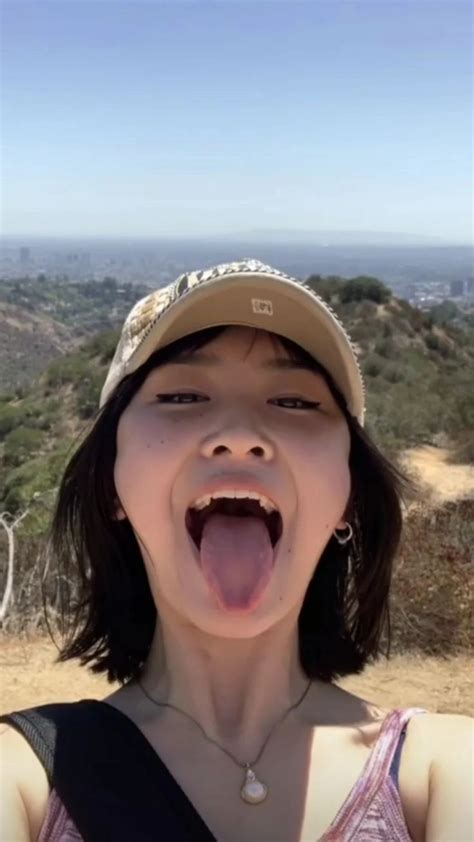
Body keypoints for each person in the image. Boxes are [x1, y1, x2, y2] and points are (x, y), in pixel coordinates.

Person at [0, 258, 472, 842]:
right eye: (182, 395)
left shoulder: (445, 773)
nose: (241, 436)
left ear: (350, 497)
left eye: (295, 403)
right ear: (111, 483)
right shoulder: (26, 781)